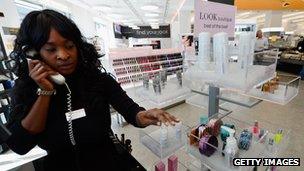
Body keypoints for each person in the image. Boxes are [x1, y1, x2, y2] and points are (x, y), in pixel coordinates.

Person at [6, 9, 179, 171]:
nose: (64, 55)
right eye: (51, 49)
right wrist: (45, 91)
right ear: (34, 54)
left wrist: (143, 116)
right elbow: (20, 145)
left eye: (69, 46)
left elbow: (130, 110)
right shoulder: (26, 90)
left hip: (108, 162)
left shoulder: (97, 80)